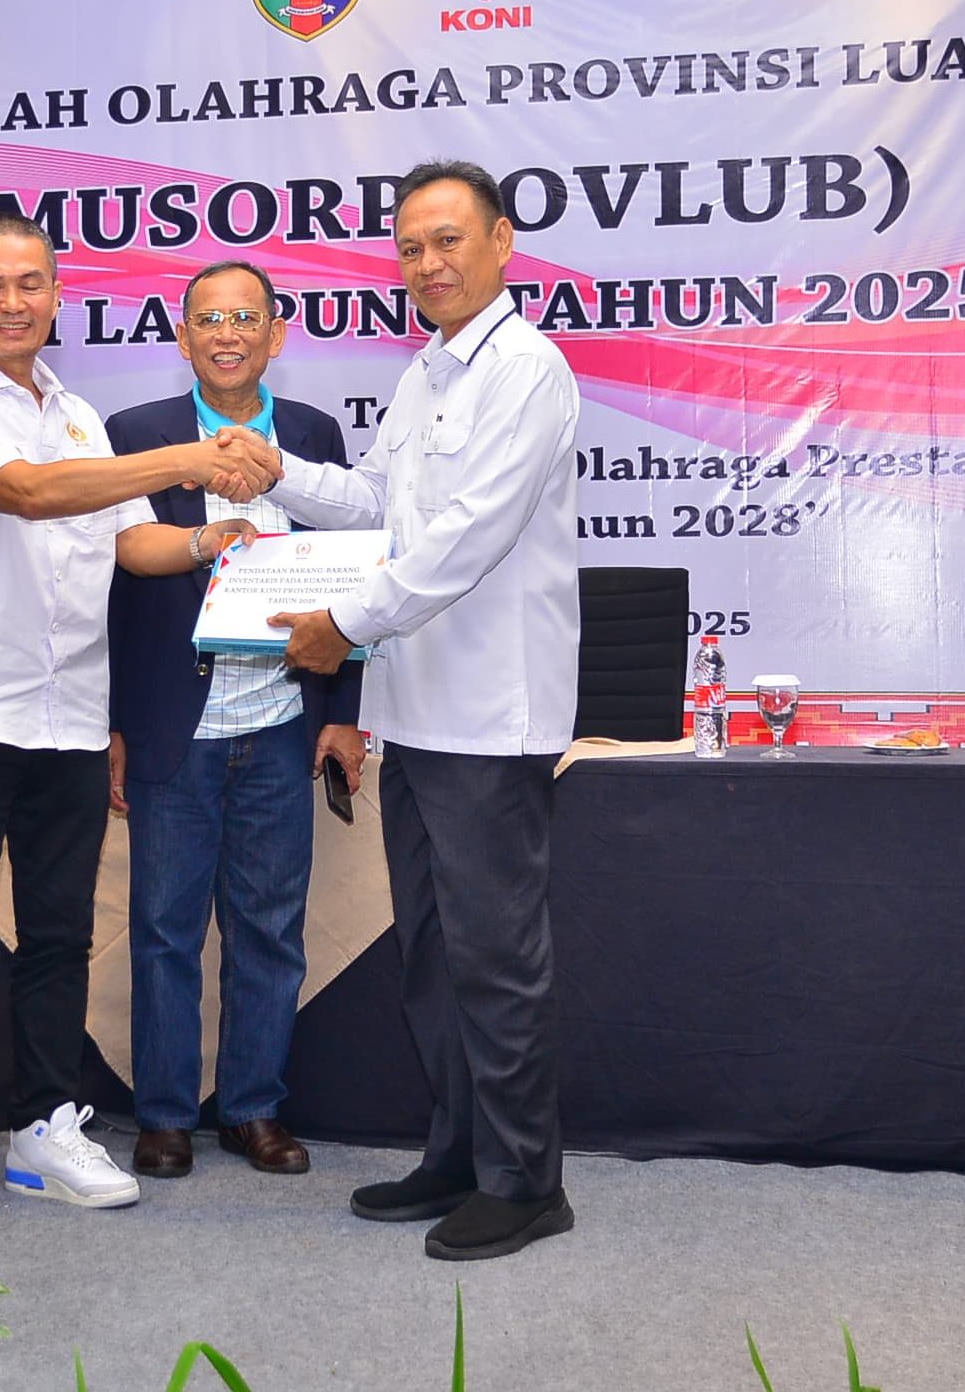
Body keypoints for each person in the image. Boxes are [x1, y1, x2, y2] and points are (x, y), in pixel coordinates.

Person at [0, 213, 278, 1239]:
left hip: (67, 715)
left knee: (58, 938)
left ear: (58, 297)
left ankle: (42, 1128)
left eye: (32, 283)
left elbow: (130, 546)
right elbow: (27, 494)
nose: (13, 301)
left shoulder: (78, 416)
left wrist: (214, 539)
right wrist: (188, 458)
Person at [228, 159, 581, 1261]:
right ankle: (458, 1155)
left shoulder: (527, 370)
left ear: (502, 242)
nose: (428, 264)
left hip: (491, 717)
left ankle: (525, 1182)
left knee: (496, 958)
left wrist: (340, 624)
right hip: (418, 713)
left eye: (448, 240)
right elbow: (378, 502)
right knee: (432, 956)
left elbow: (464, 539)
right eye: (411, 248)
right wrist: (275, 471)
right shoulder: (426, 370)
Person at [104, 260, 364, 1180]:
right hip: (175, 726)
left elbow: (351, 576)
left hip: (284, 720)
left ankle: (254, 1108)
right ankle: (165, 1115)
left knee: (270, 931)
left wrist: (343, 711)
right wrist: (116, 722)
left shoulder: (314, 436)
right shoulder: (137, 435)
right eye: (209, 319)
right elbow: (114, 588)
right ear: (183, 338)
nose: (227, 335)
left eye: (245, 318)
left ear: (276, 335)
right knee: (164, 931)